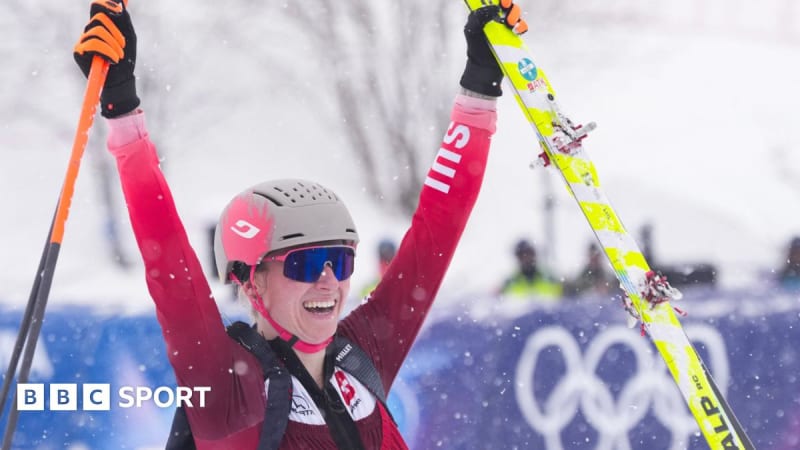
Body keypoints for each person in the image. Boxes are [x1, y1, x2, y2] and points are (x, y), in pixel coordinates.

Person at [72, 0, 528, 448]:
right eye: (306, 264)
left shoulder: (363, 353)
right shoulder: (226, 386)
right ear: (251, 283)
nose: (329, 281)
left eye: (340, 260)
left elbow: (437, 229)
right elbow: (169, 264)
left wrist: (480, 87)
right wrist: (122, 106)